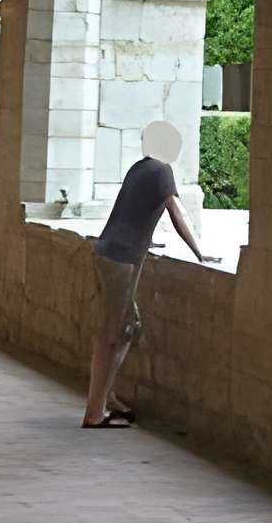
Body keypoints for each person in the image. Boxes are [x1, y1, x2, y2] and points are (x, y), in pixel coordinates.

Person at [82, 120, 211, 428]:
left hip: (109, 252)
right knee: (112, 335)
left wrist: (145, 238)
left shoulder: (139, 169)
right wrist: (199, 252)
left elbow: (131, 211)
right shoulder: (161, 171)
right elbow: (176, 213)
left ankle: (106, 397)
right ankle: (94, 411)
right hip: (120, 259)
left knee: (125, 327)